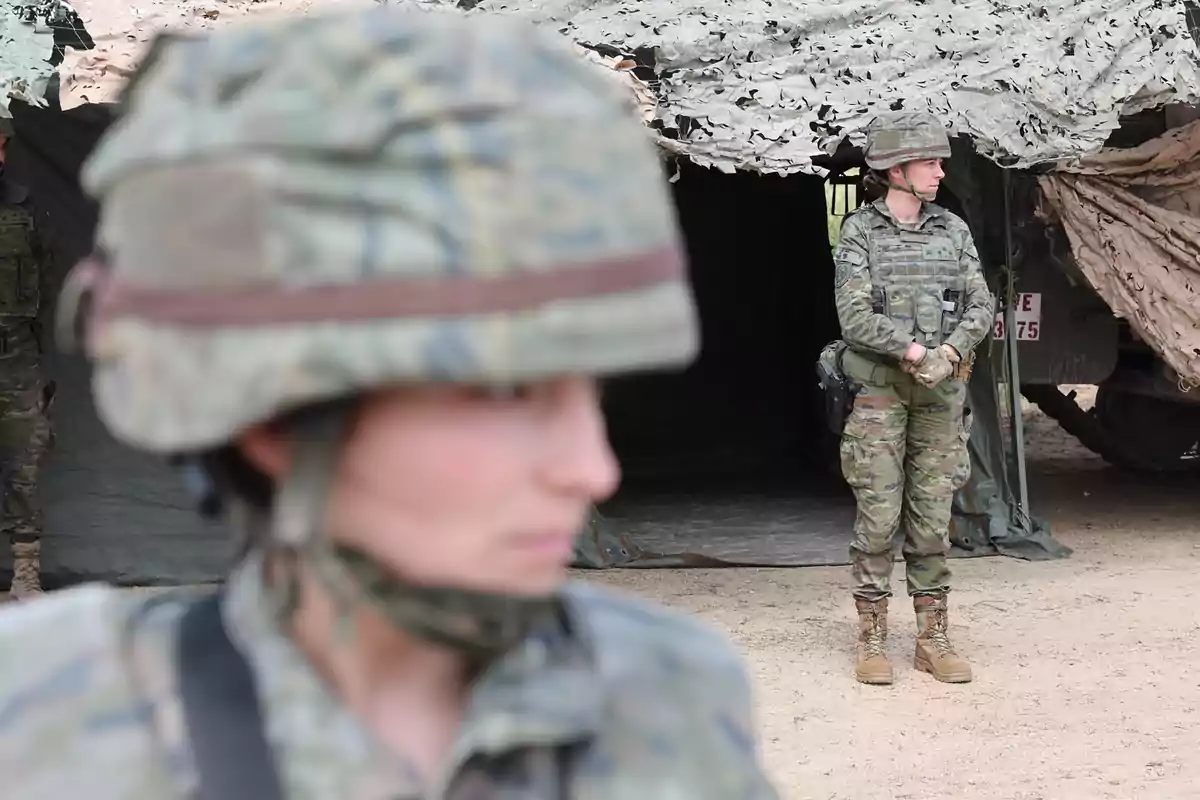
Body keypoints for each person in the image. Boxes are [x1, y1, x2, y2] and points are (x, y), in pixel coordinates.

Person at [0, 9, 779, 799]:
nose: (593, 471)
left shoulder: (666, 699)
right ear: (273, 417)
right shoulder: (50, 722)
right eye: (505, 395)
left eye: (592, 393)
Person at [832, 111, 996, 686]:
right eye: (929, 161)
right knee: (878, 516)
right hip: (880, 392)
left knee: (932, 517)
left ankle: (932, 637)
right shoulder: (860, 232)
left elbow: (982, 304)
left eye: (939, 161)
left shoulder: (952, 229)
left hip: (941, 393)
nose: (939, 170)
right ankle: (873, 635)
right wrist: (912, 352)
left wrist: (949, 353)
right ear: (894, 169)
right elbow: (853, 316)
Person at [0, 130, 52, 598]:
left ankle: (25, 573)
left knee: (26, 460)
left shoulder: (25, 210)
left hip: (16, 357)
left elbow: (48, 283)